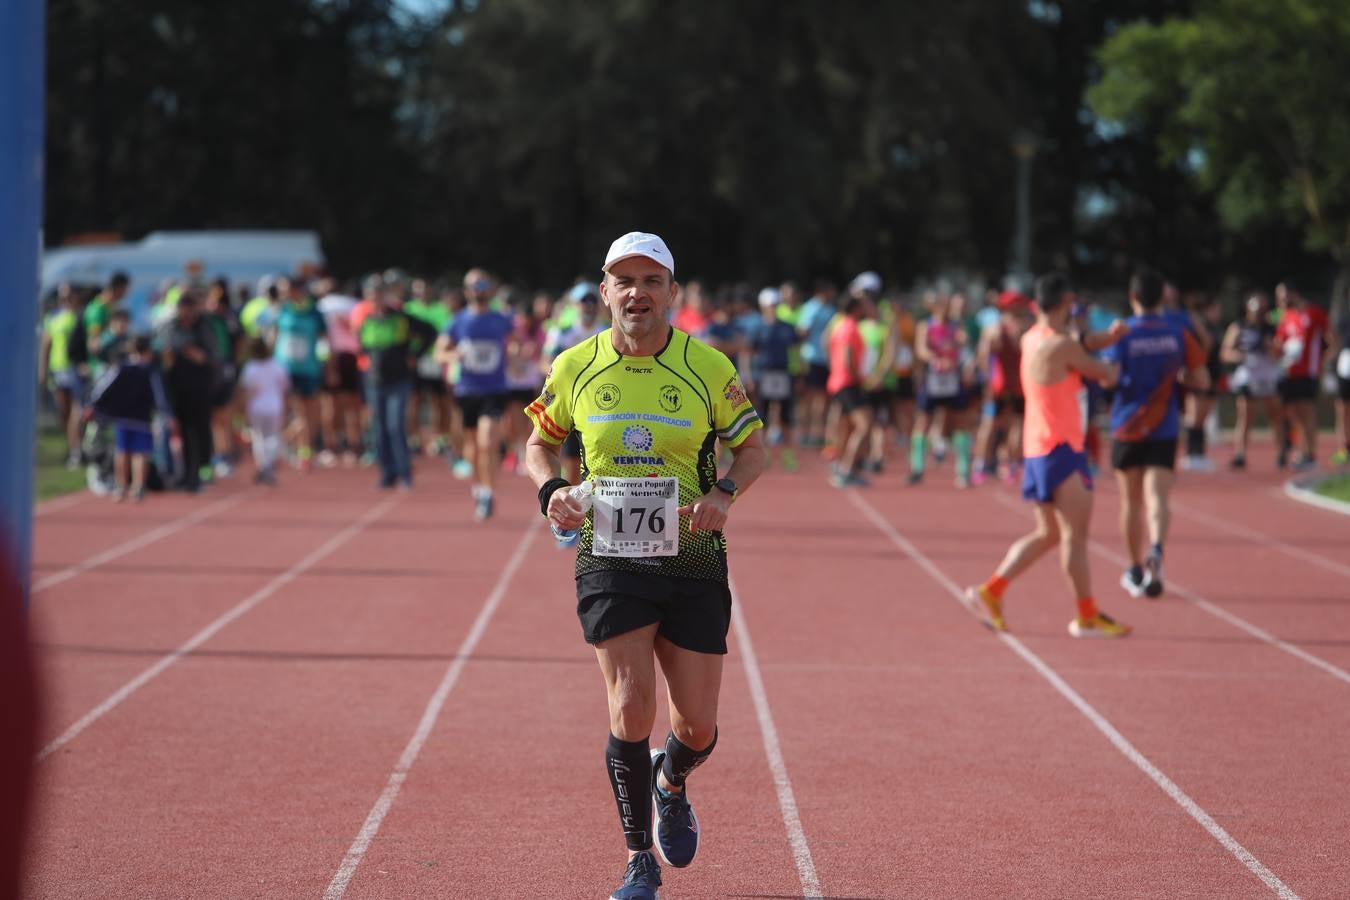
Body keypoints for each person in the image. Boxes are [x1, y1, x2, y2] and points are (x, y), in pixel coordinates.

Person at [524, 232, 766, 900]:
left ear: (673, 294)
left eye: (651, 281)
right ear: (604, 292)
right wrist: (554, 494)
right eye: (623, 281)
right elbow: (538, 444)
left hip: (691, 558)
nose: (637, 293)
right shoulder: (575, 366)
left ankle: (672, 782)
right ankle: (638, 861)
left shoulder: (709, 368)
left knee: (697, 727)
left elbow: (754, 449)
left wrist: (723, 493)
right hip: (610, 556)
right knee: (630, 708)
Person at [964, 272, 1129, 638]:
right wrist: (1124, 354)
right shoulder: (1061, 346)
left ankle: (991, 591)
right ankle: (1086, 615)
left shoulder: (1032, 338)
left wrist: (1108, 337)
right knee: (1074, 536)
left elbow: (1080, 342)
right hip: (1062, 448)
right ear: (1067, 303)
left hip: (1038, 447)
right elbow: (1105, 372)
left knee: (1049, 533)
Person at [1103, 267, 1209, 599]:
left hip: (1126, 425)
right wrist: (1178, 380)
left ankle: (1135, 567)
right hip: (1164, 426)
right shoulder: (1178, 333)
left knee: (1130, 502)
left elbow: (1108, 378)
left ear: (1132, 297)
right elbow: (1201, 380)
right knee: (1158, 497)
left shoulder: (1120, 333)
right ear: (1163, 297)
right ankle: (1158, 549)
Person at [437, 268, 514, 519]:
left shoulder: (501, 319)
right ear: (466, 290)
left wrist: (516, 352)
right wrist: (454, 355)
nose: (478, 290)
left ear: (489, 289)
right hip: (467, 390)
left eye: (483, 285)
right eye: (474, 286)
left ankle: (489, 494)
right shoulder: (457, 321)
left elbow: (517, 344)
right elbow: (439, 353)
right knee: (472, 446)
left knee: (487, 441)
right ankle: (479, 488)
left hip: (494, 389)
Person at [359, 277, 432, 490]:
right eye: (371, 295)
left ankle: (405, 472)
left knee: (395, 426)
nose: (375, 299)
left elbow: (429, 332)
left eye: (379, 294)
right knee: (379, 428)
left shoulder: (401, 318)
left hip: (399, 381)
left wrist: (414, 355)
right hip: (375, 382)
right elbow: (364, 347)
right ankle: (387, 473)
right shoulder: (367, 321)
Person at [88, 335, 173, 502]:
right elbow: (160, 395)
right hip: (142, 418)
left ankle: (121, 487)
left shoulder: (120, 368)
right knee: (140, 453)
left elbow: (102, 387)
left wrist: (93, 404)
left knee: (122, 451)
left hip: (122, 418)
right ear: (147, 351)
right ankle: (138, 487)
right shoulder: (150, 371)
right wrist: (166, 414)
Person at [542, 288, 609, 484]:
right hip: (572, 402)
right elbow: (546, 363)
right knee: (572, 462)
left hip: (602, 403)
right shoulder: (561, 332)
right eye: (583, 301)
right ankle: (565, 502)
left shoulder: (608, 331)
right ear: (574, 305)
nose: (588, 306)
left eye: (592, 301)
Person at [909, 288, 975, 487]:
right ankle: (917, 468)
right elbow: (921, 349)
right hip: (933, 379)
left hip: (953, 379)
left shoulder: (956, 325)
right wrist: (937, 358)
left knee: (960, 422)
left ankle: (963, 470)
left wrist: (955, 344)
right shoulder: (926, 325)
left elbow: (964, 341)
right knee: (924, 422)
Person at [156, 292, 219, 492]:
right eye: (183, 308)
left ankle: (200, 470)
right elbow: (158, 348)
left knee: (198, 429)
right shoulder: (170, 327)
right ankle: (183, 473)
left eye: (190, 308)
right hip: (176, 386)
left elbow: (215, 354)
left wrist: (202, 356)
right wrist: (166, 355)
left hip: (200, 386)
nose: (187, 313)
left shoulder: (204, 327)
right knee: (179, 430)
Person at [973, 290, 1031, 485]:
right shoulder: (1025, 328)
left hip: (999, 385)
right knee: (1015, 425)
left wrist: (987, 379)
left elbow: (982, 356)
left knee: (991, 425)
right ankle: (1011, 466)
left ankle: (982, 465)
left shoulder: (993, 328)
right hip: (1018, 385)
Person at [273, 275, 330, 472]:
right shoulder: (280, 310)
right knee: (283, 410)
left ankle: (304, 452)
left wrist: (326, 363)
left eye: (285, 289)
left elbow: (324, 339)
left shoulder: (314, 311)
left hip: (308, 368)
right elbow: (272, 337)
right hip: (284, 368)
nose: (282, 294)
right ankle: (278, 448)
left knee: (307, 412)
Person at [1221, 292, 1283, 469]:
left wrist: (1271, 346)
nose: (1259, 313)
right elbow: (1225, 352)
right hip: (1248, 376)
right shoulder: (1238, 326)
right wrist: (1240, 356)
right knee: (1245, 416)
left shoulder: (1272, 327)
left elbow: (1279, 352)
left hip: (1269, 376)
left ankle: (1281, 453)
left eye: (1263, 309)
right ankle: (1240, 454)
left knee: (1275, 416)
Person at [1274, 281, 1330, 470]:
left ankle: (1310, 454)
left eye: (1282, 297)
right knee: (1293, 414)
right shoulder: (1287, 316)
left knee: (1307, 413)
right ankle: (1300, 451)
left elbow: (1332, 339)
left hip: (1309, 372)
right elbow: (1279, 343)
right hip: (1289, 373)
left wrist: (1323, 362)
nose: (1280, 301)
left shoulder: (1314, 313)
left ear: (1293, 294)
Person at [744, 287, 800, 470]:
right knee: (764, 417)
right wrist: (748, 375)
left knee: (786, 417)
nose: (773, 308)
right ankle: (764, 456)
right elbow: (748, 352)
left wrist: (799, 373)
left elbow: (796, 351)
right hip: (764, 375)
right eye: (770, 305)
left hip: (783, 374)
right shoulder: (758, 328)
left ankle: (789, 456)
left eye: (775, 305)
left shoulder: (787, 327)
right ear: (763, 307)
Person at [826, 280, 873, 487]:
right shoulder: (849, 328)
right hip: (847, 382)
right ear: (855, 308)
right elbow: (848, 358)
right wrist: (859, 377)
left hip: (838, 381)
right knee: (864, 426)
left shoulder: (839, 326)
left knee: (847, 426)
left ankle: (842, 465)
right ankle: (847, 468)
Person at [38, 283, 90, 468]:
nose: (65, 300)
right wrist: (43, 369)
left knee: (78, 413)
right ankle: (71, 448)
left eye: (69, 296)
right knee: (64, 413)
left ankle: (78, 449)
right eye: (62, 297)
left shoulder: (80, 316)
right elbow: (46, 345)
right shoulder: (53, 317)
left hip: (75, 369)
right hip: (59, 369)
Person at [238, 336, 291, 485]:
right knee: (272, 436)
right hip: (274, 407)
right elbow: (285, 387)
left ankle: (264, 466)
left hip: (257, 407)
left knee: (260, 437)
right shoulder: (278, 365)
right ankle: (267, 466)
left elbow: (247, 389)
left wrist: (243, 408)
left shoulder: (251, 367)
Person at [796, 279, 838, 446]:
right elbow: (802, 331)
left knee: (822, 398)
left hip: (825, 359)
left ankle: (816, 433)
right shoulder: (810, 308)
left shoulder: (831, 310)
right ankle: (806, 433)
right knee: (809, 397)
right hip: (810, 358)